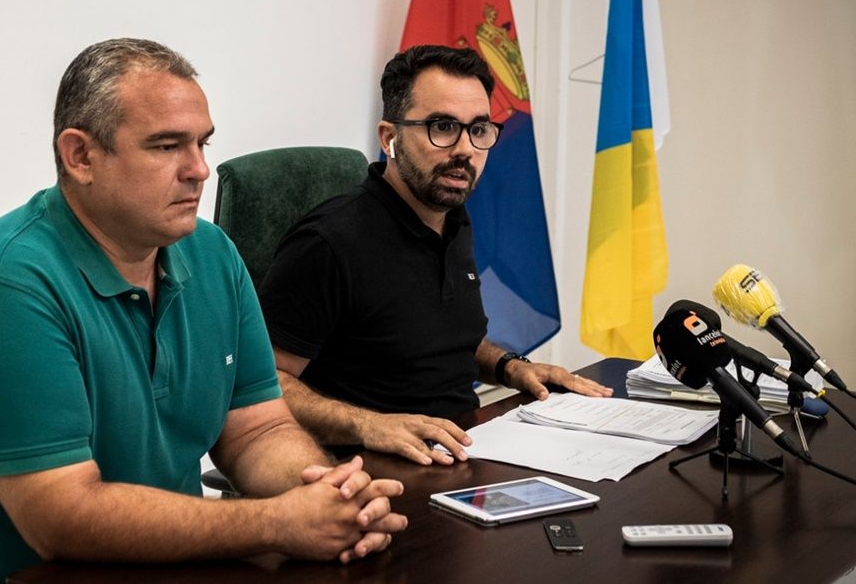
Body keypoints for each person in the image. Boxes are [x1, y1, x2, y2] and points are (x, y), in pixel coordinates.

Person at [0, 39, 406, 583]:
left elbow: (255, 429)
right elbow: (60, 517)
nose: (199, 170)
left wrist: (328, 494)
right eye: (167, 147)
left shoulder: (212, 254)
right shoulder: (4, 287)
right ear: (81, 155)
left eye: (202, 144)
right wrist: (275, 523)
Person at [258, 45, 612, 468]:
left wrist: (511, 368)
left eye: (479, 129)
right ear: (389, 138)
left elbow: (438, 339)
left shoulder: (453, 218)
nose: (465, 149)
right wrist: (370, 424)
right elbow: (262, 385)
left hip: (468, 447)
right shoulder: (328, 243)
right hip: (368, 472)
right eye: (442, 127)